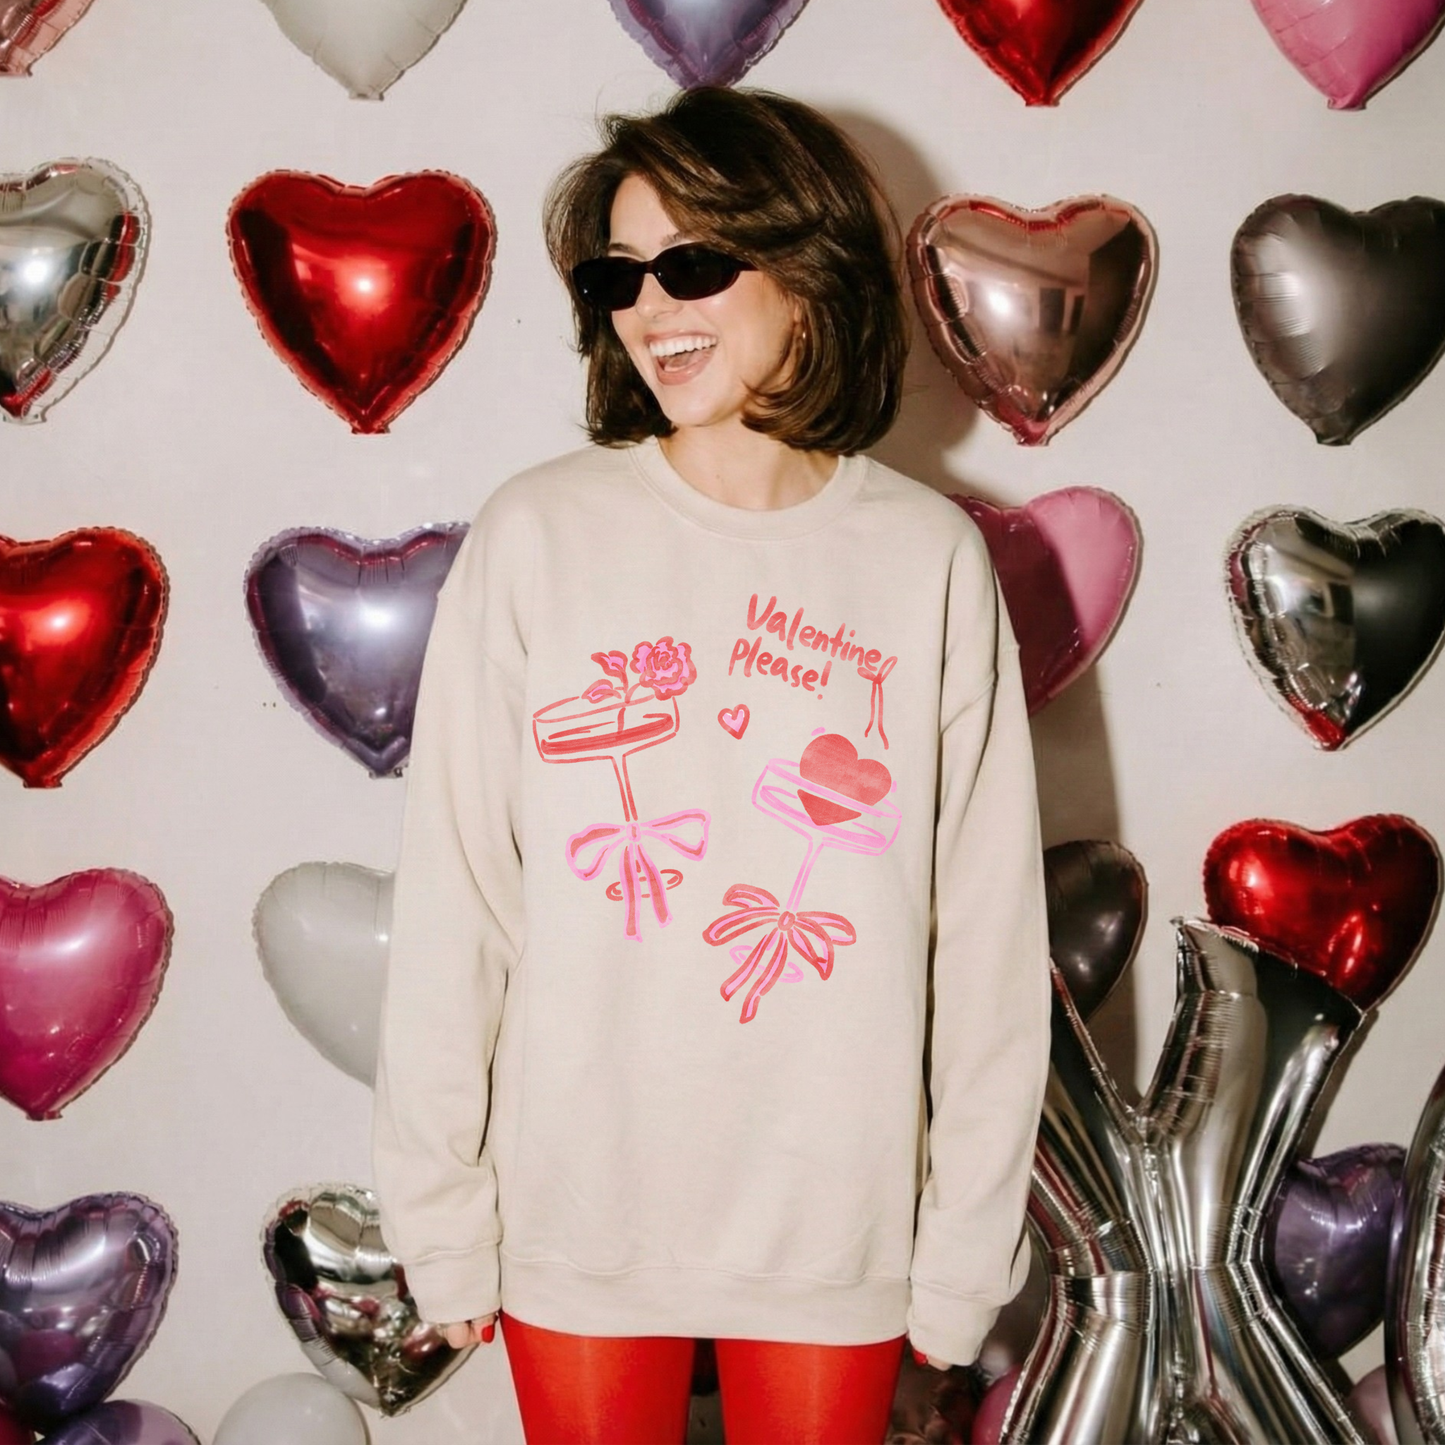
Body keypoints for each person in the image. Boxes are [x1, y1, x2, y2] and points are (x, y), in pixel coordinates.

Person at [372, 86, 1050, 1445]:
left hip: (833, 1217)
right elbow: (459, 897)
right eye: (620, 275)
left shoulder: (925, 560)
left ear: (810, 265)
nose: (650, 309)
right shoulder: (539, 537)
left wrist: (967, 1247)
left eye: (691, 263)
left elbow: (984, 938)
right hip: (581, 1210)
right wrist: (439, 1213)